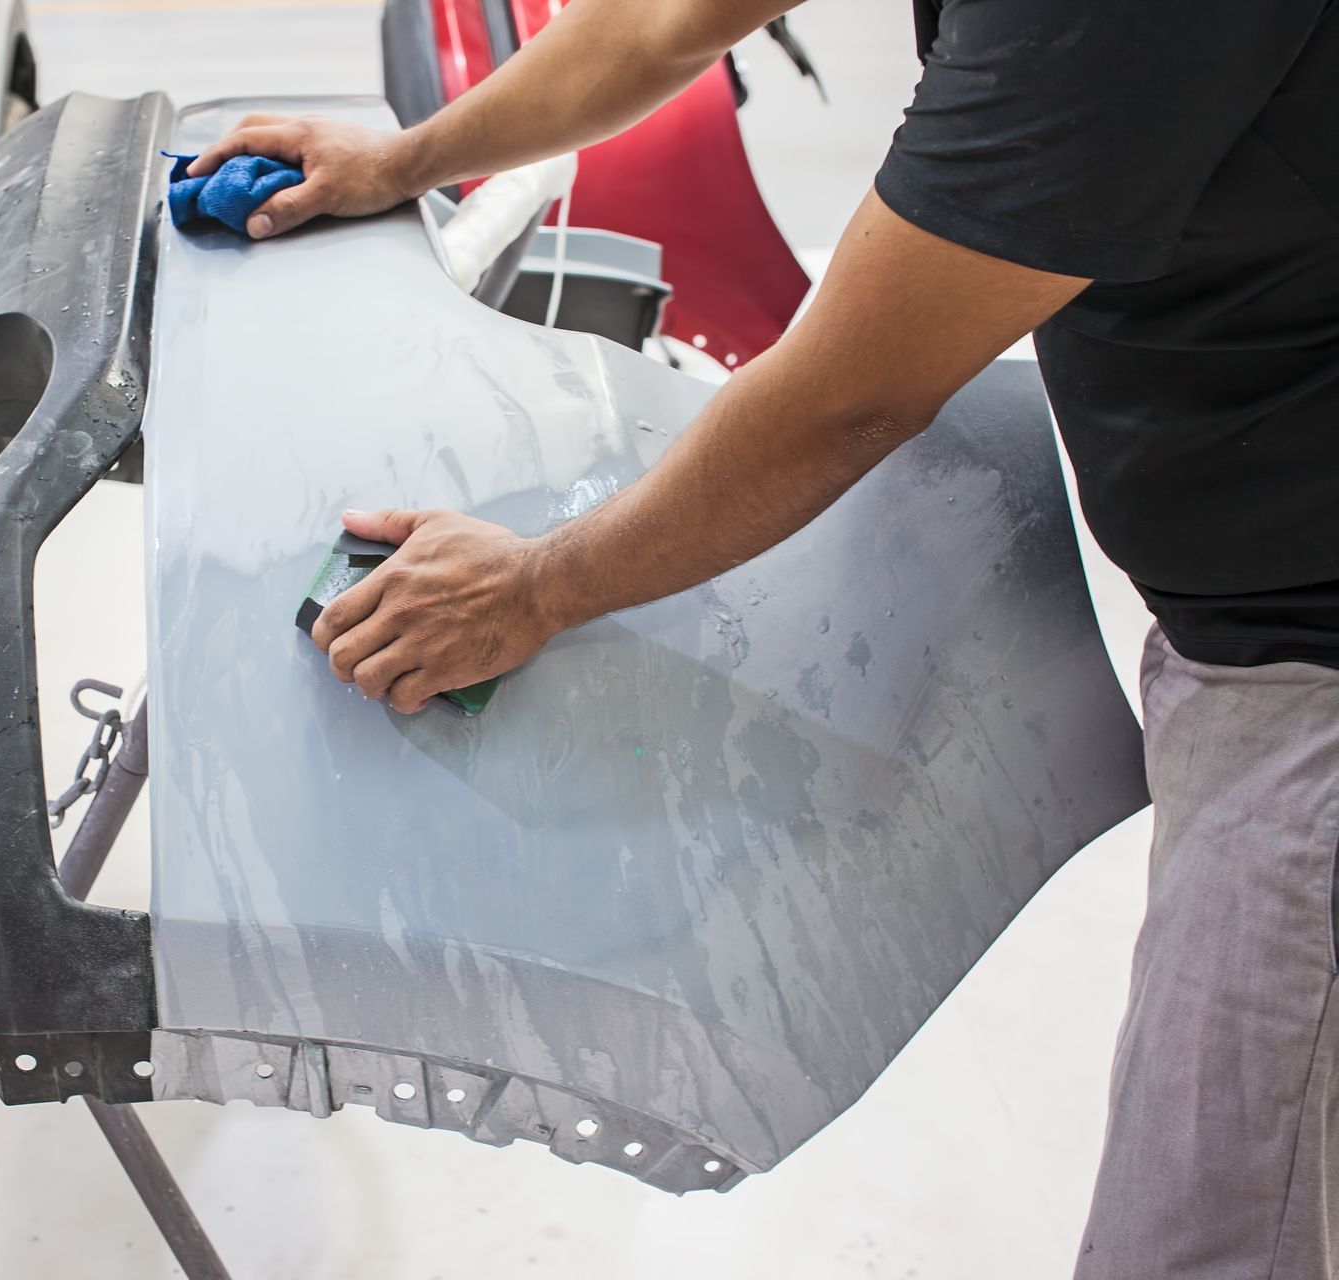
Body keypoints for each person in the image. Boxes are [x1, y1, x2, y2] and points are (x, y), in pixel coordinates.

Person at [189, 0, 1339, 1272]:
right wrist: (406, 160)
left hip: (1312, 669)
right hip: (1246, 609)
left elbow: (859, 389)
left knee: (1210, 1230)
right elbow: (666, 22)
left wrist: (534, 587)